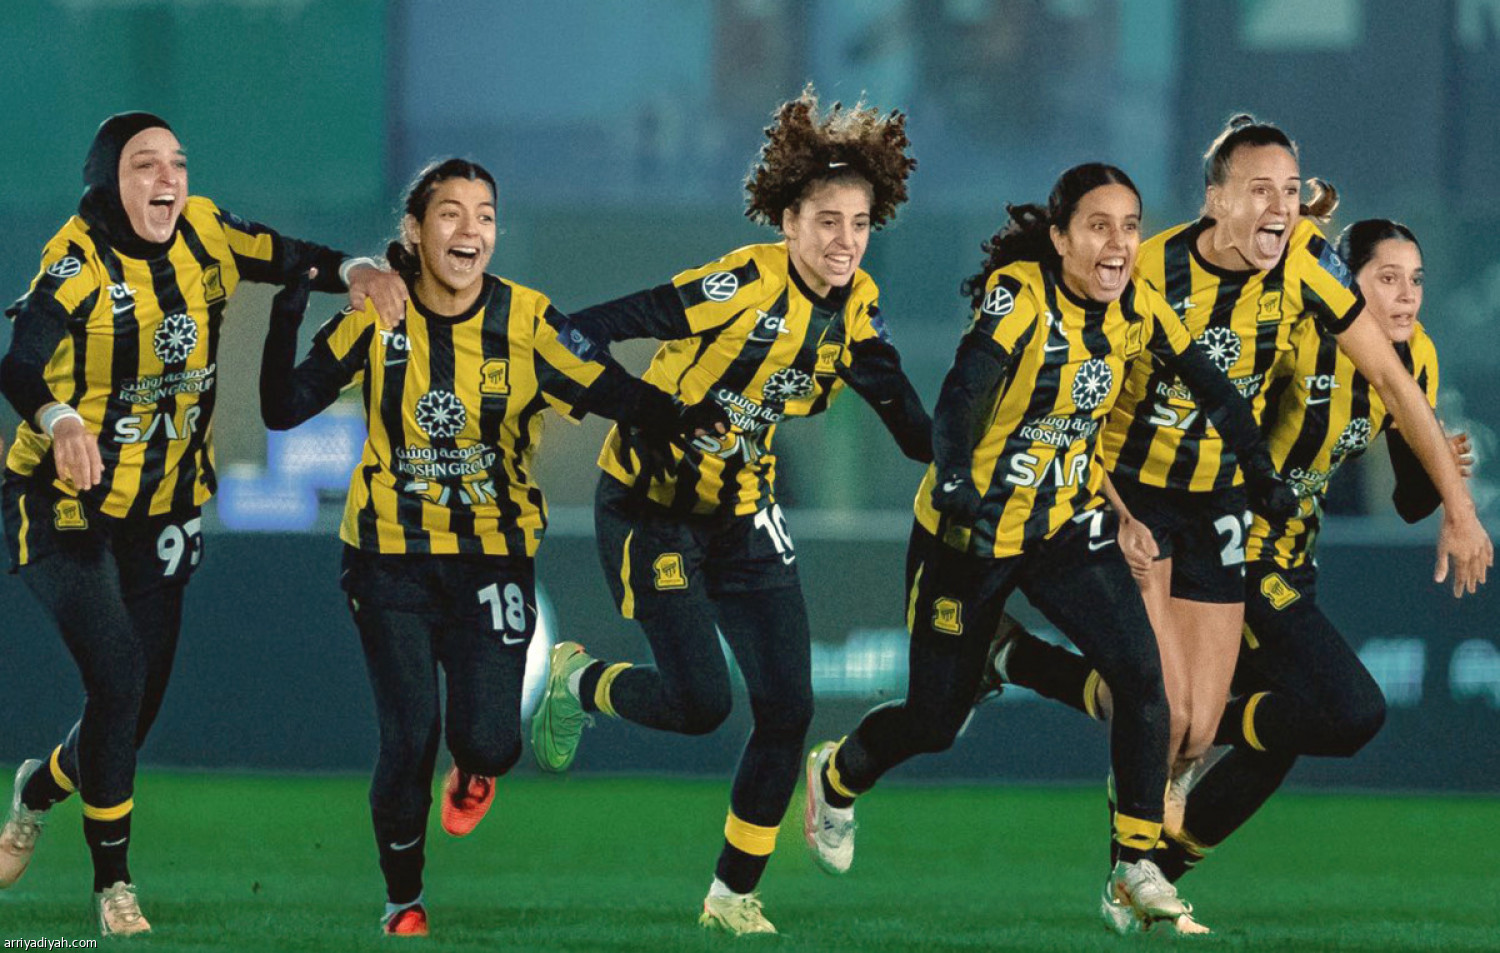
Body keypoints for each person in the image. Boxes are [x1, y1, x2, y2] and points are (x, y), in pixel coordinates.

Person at [799, 163, 1294, 934]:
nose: (1119, 244)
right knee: (935, 720)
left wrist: (1260, 472)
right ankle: (836, 773)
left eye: (1130, 226)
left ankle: (1134, 866)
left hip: (1063, 525)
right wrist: (954, 474)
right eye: (1099, 226)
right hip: (969, 534)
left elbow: (1215, 388)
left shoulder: (1139, 306)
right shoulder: (1020, 297)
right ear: (1060, 238)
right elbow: (965, 390)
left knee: (1143, 679)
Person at [258, 158, 717, 937]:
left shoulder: (529, 321)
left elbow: (611, 389)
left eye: (486, 216)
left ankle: (476, 768)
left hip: (492, 558)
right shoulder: (379, 314)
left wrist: (683, 416)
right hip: (388, 555)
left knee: (492, 743)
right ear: (415, 230)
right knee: (409, 736)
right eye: (451, 214)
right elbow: (281, 407)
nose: (471, 230)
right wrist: (288, 308)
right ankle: (404, 900)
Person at [526, 87, 931, 936]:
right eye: (828, 221)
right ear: (788, 222)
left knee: (788, 707)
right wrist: (656, 410)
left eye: (860, 224)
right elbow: (582, 331)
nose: (845, 241)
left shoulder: (858, 310)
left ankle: (731, 896)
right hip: (650, 506)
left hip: (744, 511)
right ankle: (578, 679)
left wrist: (972, 450)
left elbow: (909, 426)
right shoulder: (742, 284)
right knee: (702, 704)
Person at [0, 111, 405, 937]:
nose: (168, 179)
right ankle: (114, 884)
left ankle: (37, 789)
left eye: (177, 163)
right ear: (108, 180)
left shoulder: (209, 232)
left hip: (165, 503)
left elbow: (292, 256)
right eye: (145, 164)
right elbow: (19, 363)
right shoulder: (75, 261)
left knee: (132, 709)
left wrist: (355, 268)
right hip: (62, 499)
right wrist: (60, 418)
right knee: (118, 676)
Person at [988, 219, 1464, 891]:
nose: (1407, 295)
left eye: (1415, 279)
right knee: (1348, 711)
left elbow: (1410, 500)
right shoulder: (1298, 335)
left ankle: (1148, 873)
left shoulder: (1419, 360)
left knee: (1274, 727)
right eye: (1386, 279)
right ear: (1343, 285)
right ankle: (1157, 757)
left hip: (1296, 562)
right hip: (1238, 548)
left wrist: (1441, 467)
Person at [1054, 114, 1489, 802]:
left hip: (1240, 518)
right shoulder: (1158, 272)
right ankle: (1135, 834)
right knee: (1171, 717)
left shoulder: (1322, 279)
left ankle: (1037, 675)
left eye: (1289, 190)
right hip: (1153, 499)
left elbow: (1393, 396)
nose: (1406, 295)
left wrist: (1455, 503)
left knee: (1191, 729)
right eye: (1261, 189)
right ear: (1215, 199)